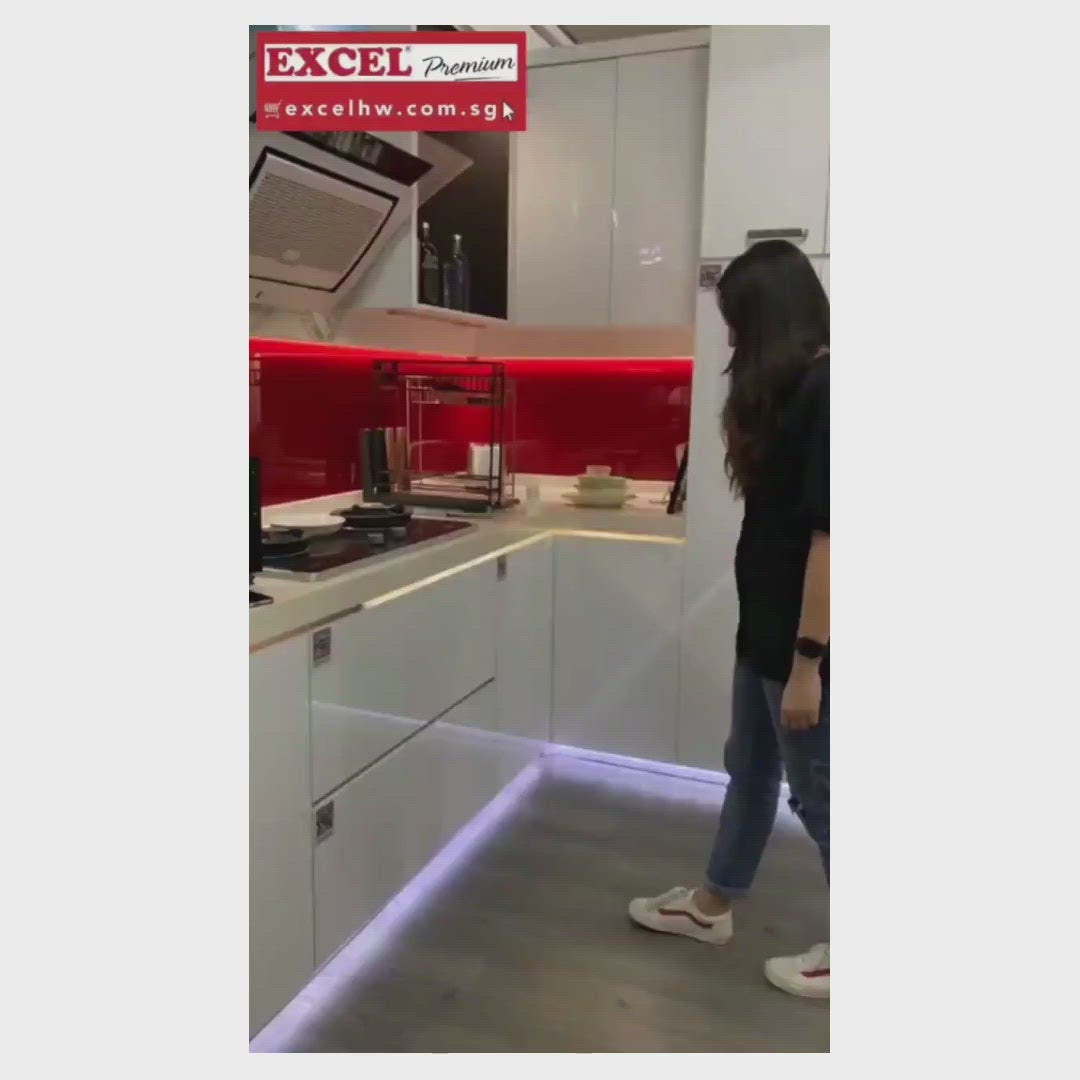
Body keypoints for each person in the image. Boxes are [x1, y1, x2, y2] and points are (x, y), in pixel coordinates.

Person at [629, 239, 830, 1000]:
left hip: (801, 644)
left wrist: (808, 662)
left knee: (820, 795)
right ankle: (712, 906)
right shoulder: (791, 392)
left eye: (738, 322)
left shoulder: (829, 389)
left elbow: (832, 539)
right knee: (749, 769)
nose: (733, 338)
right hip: (765, 633)